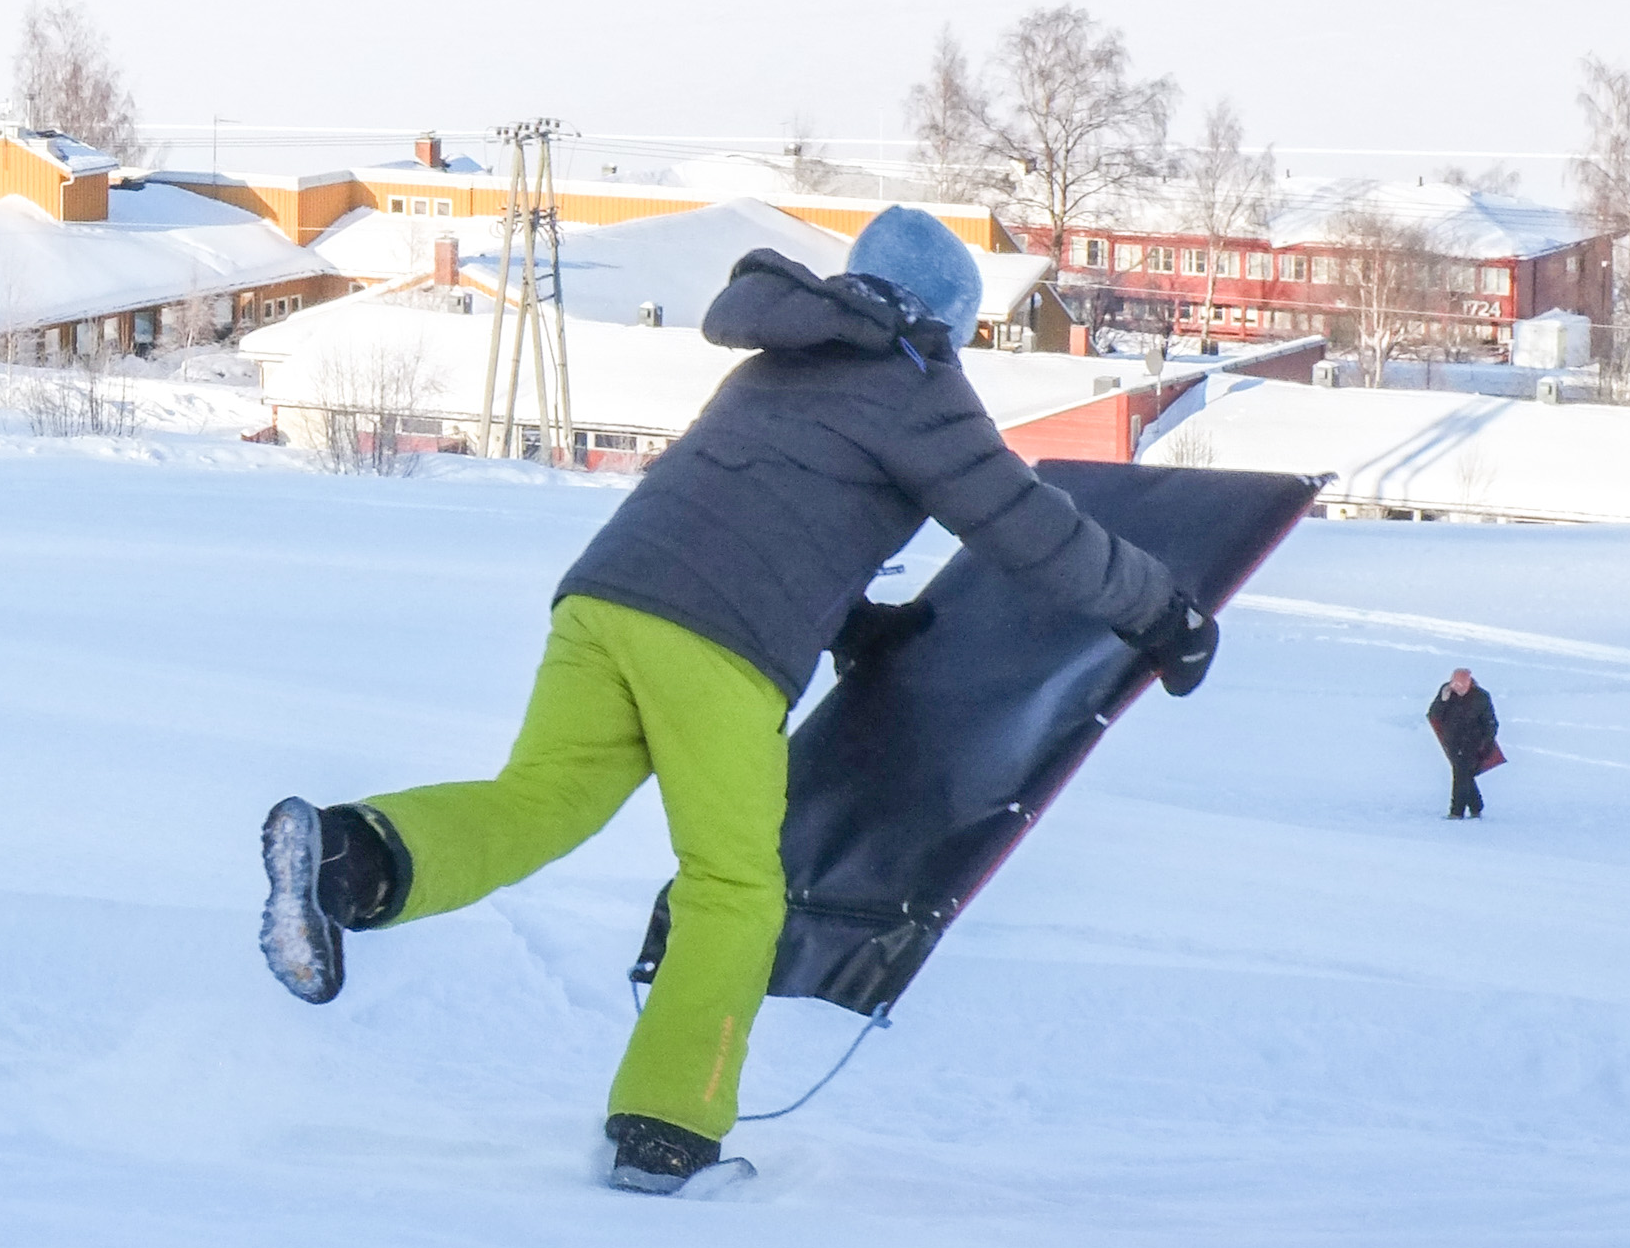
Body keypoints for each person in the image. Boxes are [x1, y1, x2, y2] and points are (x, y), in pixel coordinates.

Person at [255, 207, 1223, 1197]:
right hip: (714, 639)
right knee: (732, 887)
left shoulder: (775, 359)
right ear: (942, 317)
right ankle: (665, 1129)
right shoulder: (915, 388)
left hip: (604, 597)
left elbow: (759, 502)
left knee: (540, 800)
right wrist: (1161, 612)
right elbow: (1026, 525)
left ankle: (351, 855)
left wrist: (847, 621)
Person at [1427, 668, 1503, 819]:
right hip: (1453, 741)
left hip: (1473, 742)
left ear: (1469, 683)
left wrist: (1487, 745)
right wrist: (1443, 700)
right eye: (1456, 685)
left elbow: (1491, 723)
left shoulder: (1481, 697)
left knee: (1460, 775)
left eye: (1462, 686)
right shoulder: (1446, 692)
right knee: (1465, 775)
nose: (1458, 689)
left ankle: (1457, 811)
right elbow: (1434, 715)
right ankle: (1476, 806)